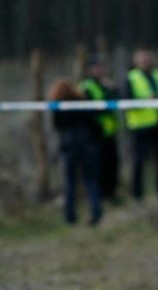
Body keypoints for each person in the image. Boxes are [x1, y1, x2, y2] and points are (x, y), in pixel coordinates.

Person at [124, 49, 158, 203]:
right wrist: (147, 99)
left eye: (147, 58)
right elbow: (127, 101)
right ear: (135, 62)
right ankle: (137, 195)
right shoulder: (131, 78)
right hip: (140, 126)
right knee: (139, 162)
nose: (145, 62)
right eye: (141, 59)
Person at [49, 80, 103, 225]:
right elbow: (94, 122)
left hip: (69, 146)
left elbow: (57, 126)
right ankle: (96, 212)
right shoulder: (83, 102)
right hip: (87, 145)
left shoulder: (58, 106)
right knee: (90, 180)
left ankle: (70, 215)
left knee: (70, 182)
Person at [78, 56, 120, 202]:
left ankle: (111, 193)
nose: (98, 70)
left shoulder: (106, 84)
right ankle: (100, 195)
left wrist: (111, 89)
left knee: (112, 164)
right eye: (95, 67)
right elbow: (89, 110)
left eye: (100, 67)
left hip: (109, 131)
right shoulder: (85, 87)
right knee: (98, 166)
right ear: (89, 70)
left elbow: (115, 101)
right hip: (94, 133)